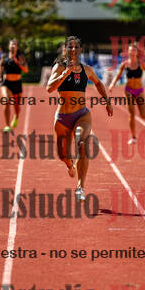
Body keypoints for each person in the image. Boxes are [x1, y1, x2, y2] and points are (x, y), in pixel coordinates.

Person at [47, 36, 113, 201]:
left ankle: (80, 187)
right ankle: (70, 165)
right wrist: (65, 74)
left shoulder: (87, 70)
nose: (73, 50)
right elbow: (49, 88)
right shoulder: (59, 67)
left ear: (81, 50)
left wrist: (107, 101)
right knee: (63, 155)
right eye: (70, 47)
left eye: (76, 47)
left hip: (81, 114)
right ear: (65, 50)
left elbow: (98, 83)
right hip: (62, 118)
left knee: (81, 144)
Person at [109, 42, 145, 144]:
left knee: (144, 115)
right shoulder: (125, 64)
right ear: (128, 52)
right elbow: (118, 75)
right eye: (130, 50)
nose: (132, 52)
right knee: (131, 114)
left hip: (139, 91)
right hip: (129, 90)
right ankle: (133, 136)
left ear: (136, 52)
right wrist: (112, 84)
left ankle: (135, 131)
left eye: (134, 50)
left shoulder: (141, 64)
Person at [0, 38, 28, 131]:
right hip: (6, 83)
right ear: (8, 46)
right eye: (11, 44)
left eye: (15, 44)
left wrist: (17, 62)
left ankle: (16, 116)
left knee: (17, 106)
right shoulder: (4, 56)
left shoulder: (20, 57)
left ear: (17, 47)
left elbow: (26, 70)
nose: (13, 46)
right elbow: (0, 66)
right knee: (6, 100)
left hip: (17, 83)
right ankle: (7, 125)